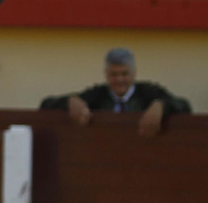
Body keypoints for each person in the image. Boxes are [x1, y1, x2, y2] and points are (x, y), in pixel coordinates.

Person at [40, 47, 190, 137]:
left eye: (124, 74)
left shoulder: (149, 92)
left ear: (134, 73)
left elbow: (185, 106)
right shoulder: (97, 94)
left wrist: (162, 105)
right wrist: (69, 101)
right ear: (106, 74)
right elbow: (46, 105)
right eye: (114, 74)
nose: (119, 80)